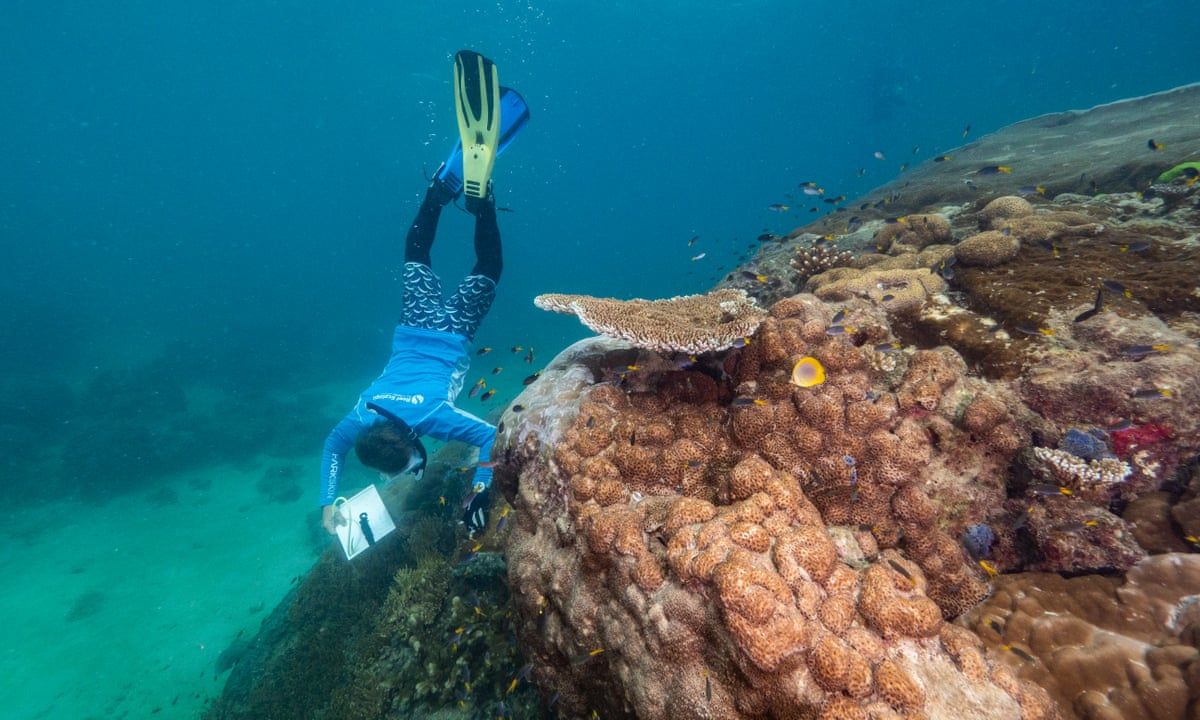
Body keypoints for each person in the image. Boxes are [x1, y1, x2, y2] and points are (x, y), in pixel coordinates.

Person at [319, 50, 528, 538]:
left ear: (411, 438)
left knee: (489, 266)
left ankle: (484, 206)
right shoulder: (364, 410)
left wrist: (479, 492)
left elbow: (489, 439)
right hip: (414, 325)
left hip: (452, 333)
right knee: (417, 252)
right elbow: (334, 446)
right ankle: (438, 193)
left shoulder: (434, 418)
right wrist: (326, 505)